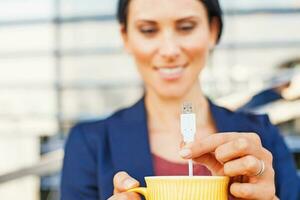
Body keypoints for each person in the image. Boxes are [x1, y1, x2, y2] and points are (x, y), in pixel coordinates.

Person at [60, 0, 300, 199]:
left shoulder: (260, 137)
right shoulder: (90, 143)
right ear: (126, 37)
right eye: (148, 30)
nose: (169, 50)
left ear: (213, 30)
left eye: (186, 27)